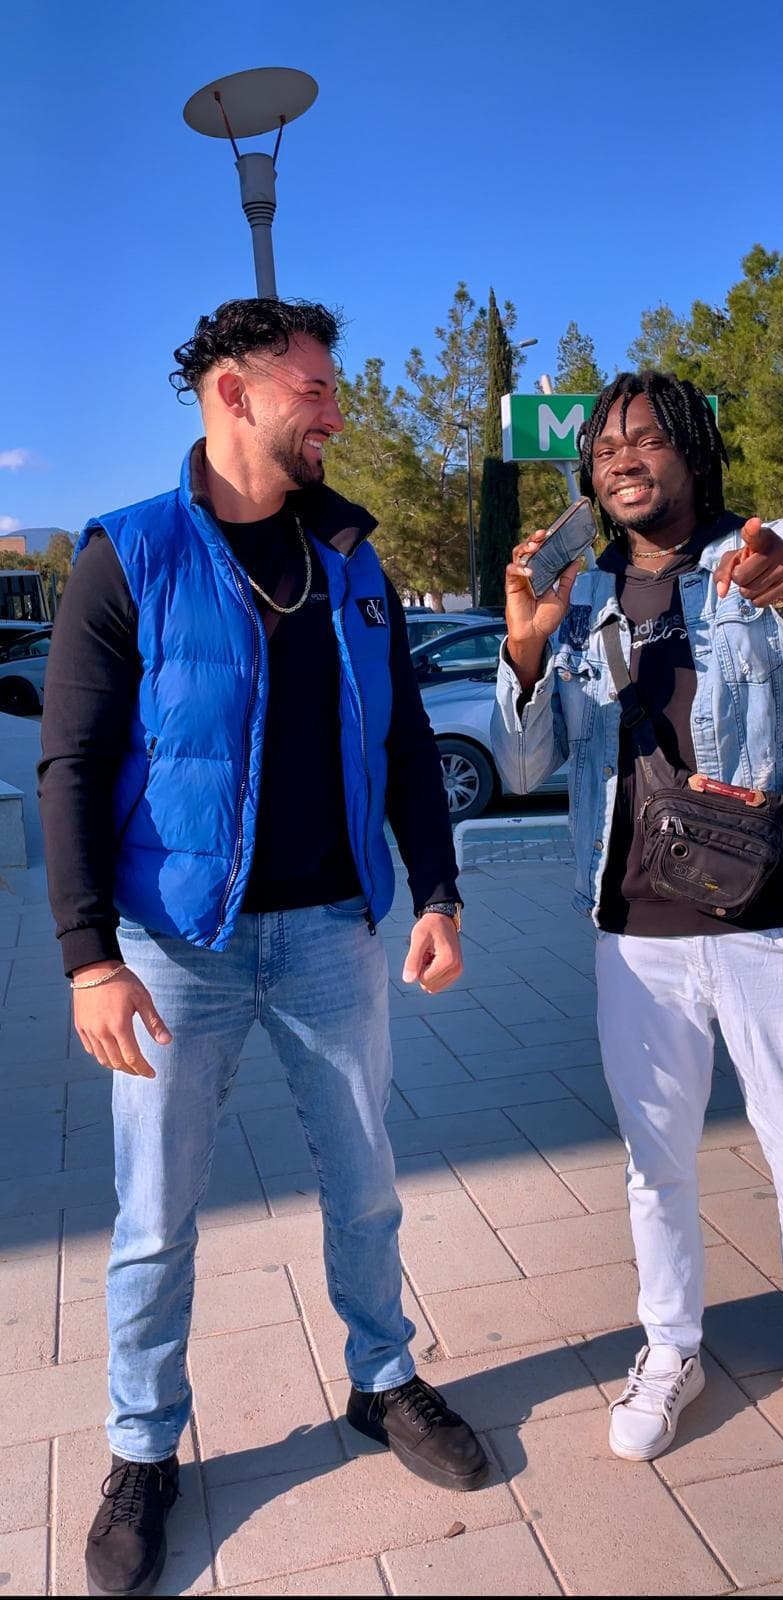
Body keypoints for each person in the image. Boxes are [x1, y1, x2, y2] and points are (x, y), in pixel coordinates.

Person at [39, 298, 486, 1600]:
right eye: (315, 389)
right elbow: (70, 767)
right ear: (233, 394)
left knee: (366, 1181)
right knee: (155, 1217)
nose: (336, 409)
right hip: (177, 947)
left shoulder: (351, 557)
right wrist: (88, 957)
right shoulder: (126, 554)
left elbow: (404, 739)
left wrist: (439, 891)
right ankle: (142, 1446)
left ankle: (382, 1378)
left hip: (335, 931)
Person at [493, 371, 783, 1472]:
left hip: (768, 916)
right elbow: (526, 765)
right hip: (636, 929)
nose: (622, 458)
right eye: (605, 447)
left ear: (692, 450)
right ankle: (671, 1346)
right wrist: (525, 647)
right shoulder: (579, 591)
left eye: (647, 439)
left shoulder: (764, 548)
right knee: (655, 1163)